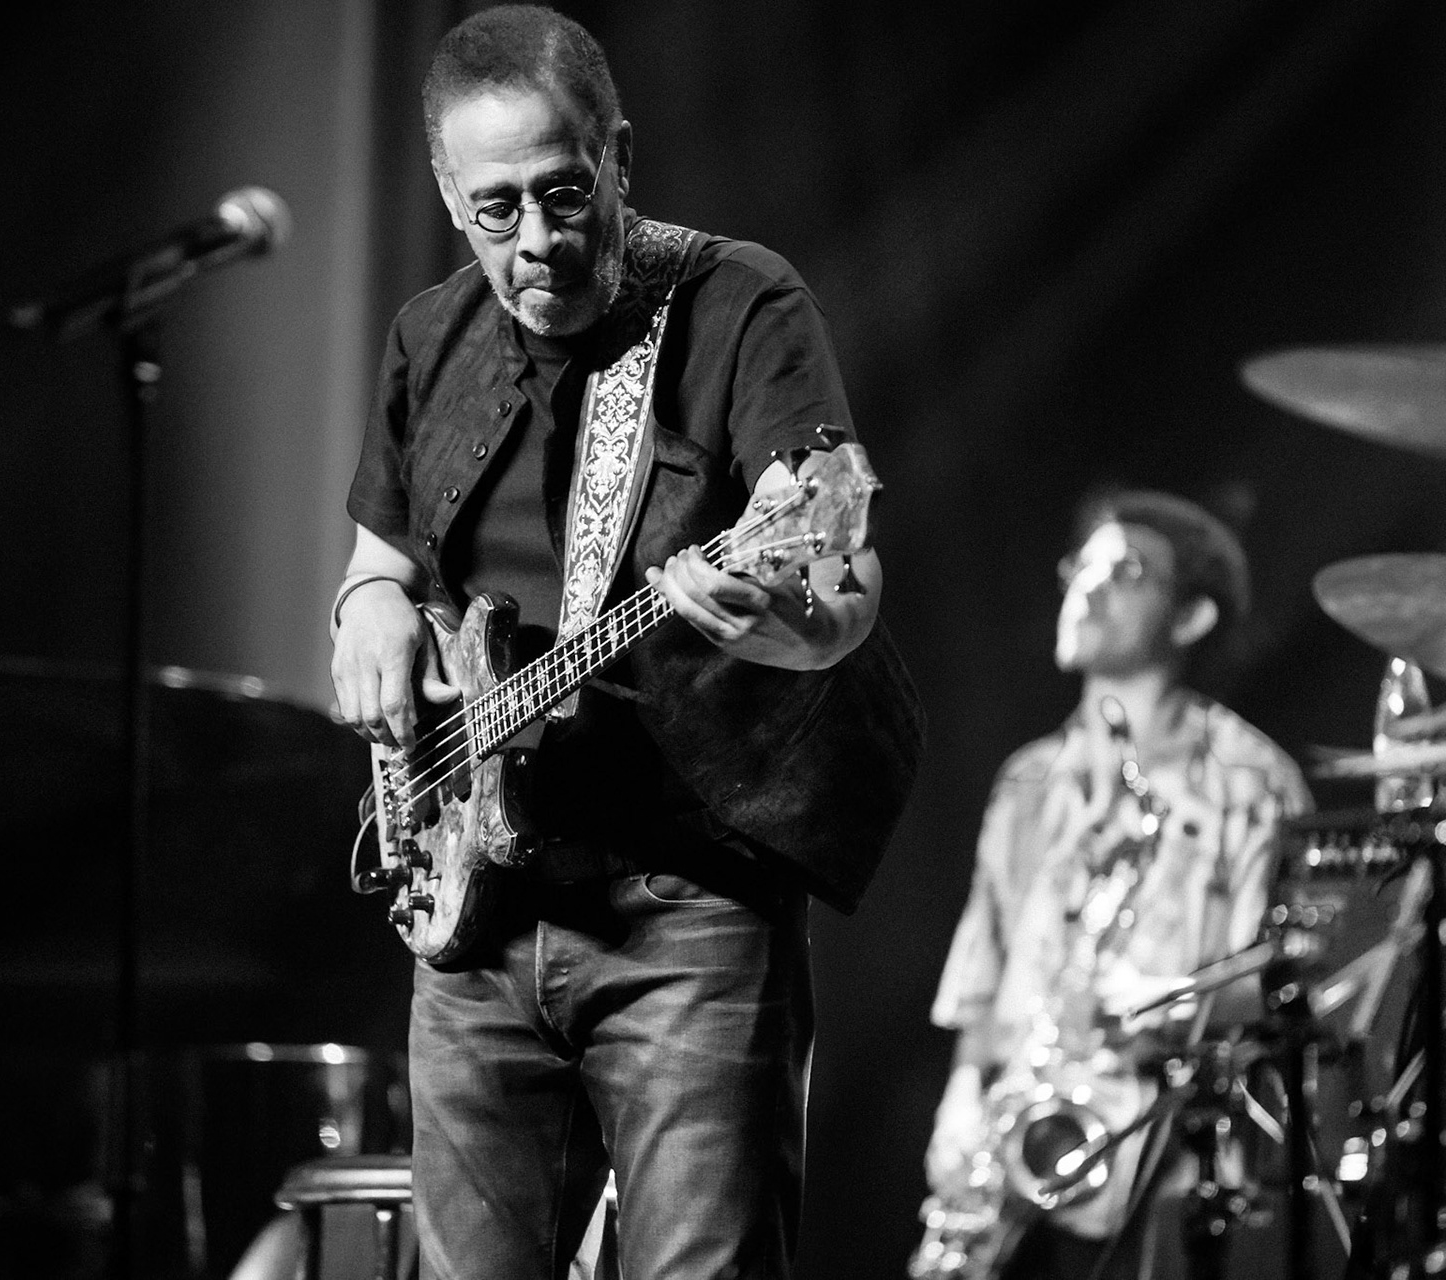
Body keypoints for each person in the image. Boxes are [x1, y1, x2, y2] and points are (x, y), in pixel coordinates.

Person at [326, 6, 922, 1277]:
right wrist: (364, 608)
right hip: (475, 924)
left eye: (564, 191)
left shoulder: (740, 302)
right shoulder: (428, 339)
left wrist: (788, 618)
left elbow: (844, 578)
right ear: (447, 195)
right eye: (497, 209)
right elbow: (383, 561)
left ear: (619, 155)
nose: (537, 240)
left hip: (684, 913)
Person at [921, 489, 1312, 1279]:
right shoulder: (1027, 779)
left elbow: (1286, 982)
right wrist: (963, 1090)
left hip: (1167, 1158)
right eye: (1082, 565)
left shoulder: (1254, 781)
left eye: (1126, 570)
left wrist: (1173, 996)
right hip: (1021, 1146)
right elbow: (984, 965)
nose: (1088, 585)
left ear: (1192, 618)